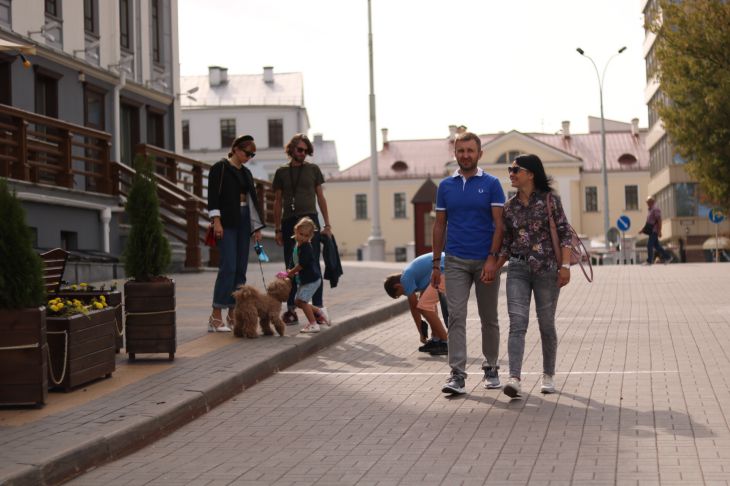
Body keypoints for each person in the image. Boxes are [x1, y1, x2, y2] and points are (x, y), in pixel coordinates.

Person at [431, 131, 505, 395]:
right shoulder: (446, 187)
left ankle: (492, 367)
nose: (465, 155)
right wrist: (436, 264)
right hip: (455, 261)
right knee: (456, 317)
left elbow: (499, 225)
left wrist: (492, 259)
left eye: (470, 151)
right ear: (455, 153)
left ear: (479, 153)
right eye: (461, 151)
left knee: (489, 318)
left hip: (486, 261)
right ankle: (457, 374)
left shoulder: (493, 184)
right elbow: (439, 226)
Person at [495, 154, 573, 399]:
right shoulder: (509, 207)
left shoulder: (550, 201)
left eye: (516, 169)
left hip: (547, 270)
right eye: (510, 169)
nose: (511, 173)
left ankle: (548, 374)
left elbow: (565, 234)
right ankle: (514, 378)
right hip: (517, 269)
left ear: (531, 173)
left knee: (546, 324)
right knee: (517, 324)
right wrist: (494, 267)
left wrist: (566, 266)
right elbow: (506, 243)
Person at [273, 134, 333, 325]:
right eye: (300, 149)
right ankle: (291, 310)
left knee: (312, 263)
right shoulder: (281, 172)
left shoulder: (313, 169)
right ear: (291, 149)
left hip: (309, 220)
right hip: (289, 221)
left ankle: (318, 308)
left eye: (306, 150)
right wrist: (277, 229)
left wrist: (327, 225)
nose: (303, 153)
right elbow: (277, 201)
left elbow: (321, 198)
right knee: (291, 265)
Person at [207, 135, 265, 332]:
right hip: (227, 221)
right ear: (236, 149)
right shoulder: (220, 168)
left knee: (240, 268)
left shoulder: (247, 172)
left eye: (252, 154)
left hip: (244, 220)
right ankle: (216, 315)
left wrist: (256, 228)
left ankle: (233, 313)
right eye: (247, 153)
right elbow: (213, 197)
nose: (249, 156)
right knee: (228, 266)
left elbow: (253, 201)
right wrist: (217, 222)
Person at [384, 252, 449, 355]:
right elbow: (429, 305)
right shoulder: (414, 276)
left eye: (400, 294)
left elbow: (414, 308)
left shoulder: (406, 279)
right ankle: (436, 340)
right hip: (446, 267)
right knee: (426, 304)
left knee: (423, 307)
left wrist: (421, 333)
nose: (405, 294)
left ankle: (446, 343)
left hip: (446, 270)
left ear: (397, 286)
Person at [286, 217, 329, 333]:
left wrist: (291, 272)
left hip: (312, 280)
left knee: (302, 302)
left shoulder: (306, 247)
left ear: (310, 237)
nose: (303, 238)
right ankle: (320, 312)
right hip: (306, 280)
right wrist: (289, 268)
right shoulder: (297, 245)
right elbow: (293, 259)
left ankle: (313, 324)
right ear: (296, 231)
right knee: (298, 302)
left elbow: (301, 265)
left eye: (306, 236)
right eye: (301, 234)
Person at [644, 196, 674, 265]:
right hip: (651, 231)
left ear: (652, 202)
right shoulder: (650, 210)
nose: (647, 204)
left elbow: (659, 220)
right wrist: (643, 230)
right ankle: (668, 257)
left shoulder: (655, 209)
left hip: (654, 231)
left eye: (648, 202)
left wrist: (659, 231)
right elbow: (649, 222)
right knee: (657, 246)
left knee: (649, 245)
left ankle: (649, 261)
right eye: (647, 203)